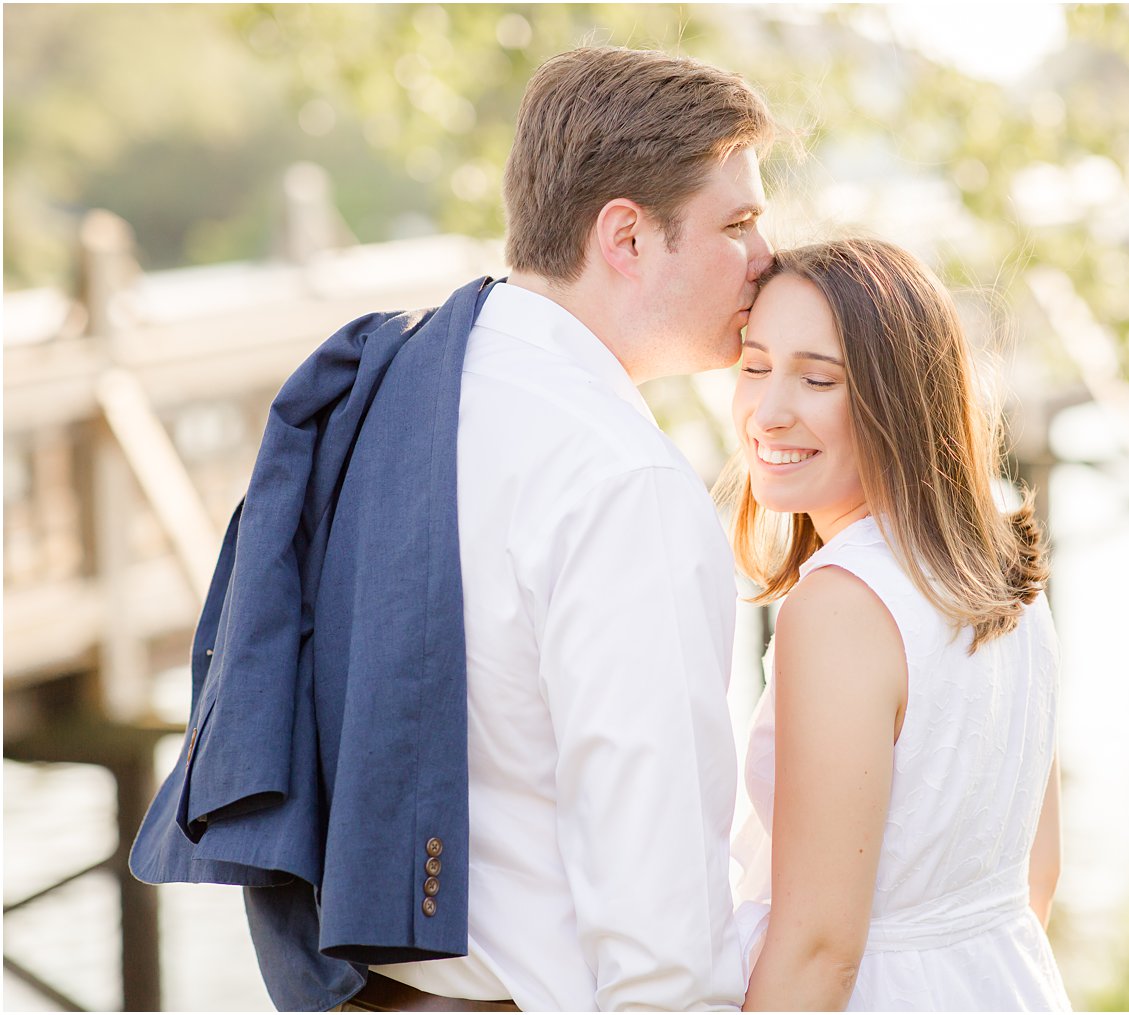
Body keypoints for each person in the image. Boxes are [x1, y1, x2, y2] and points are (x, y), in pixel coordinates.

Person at [130, 46, 774, 1011]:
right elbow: (659, 907)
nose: (766, 257)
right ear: (627, 237)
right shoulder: (620, 480)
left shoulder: (397, 384)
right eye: (739, 222)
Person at [723, 237, 1070, 1011]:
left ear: (899, 401)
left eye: (817, 378)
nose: (768, 410)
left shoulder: (842, 605)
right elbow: (1036, 873)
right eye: (753, 365)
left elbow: (818, 952)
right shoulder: (1007, 568)